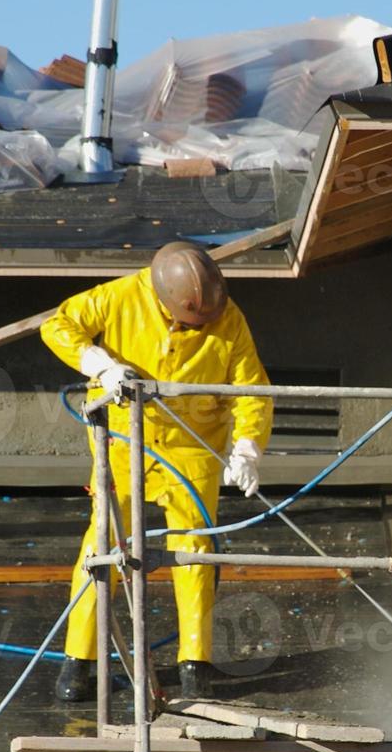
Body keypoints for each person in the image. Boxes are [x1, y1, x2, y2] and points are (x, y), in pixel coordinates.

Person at [41, 241, 273, 702]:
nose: (200, 328)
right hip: (125, 441)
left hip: (194, 445)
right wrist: (101, 366)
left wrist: (247, 448)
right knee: (102, 545)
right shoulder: (120, 297)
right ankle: (79, 660)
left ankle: (195, 663)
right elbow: (57, 324)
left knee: (194, 550)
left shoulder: (229, 319)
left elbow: (251, 389)